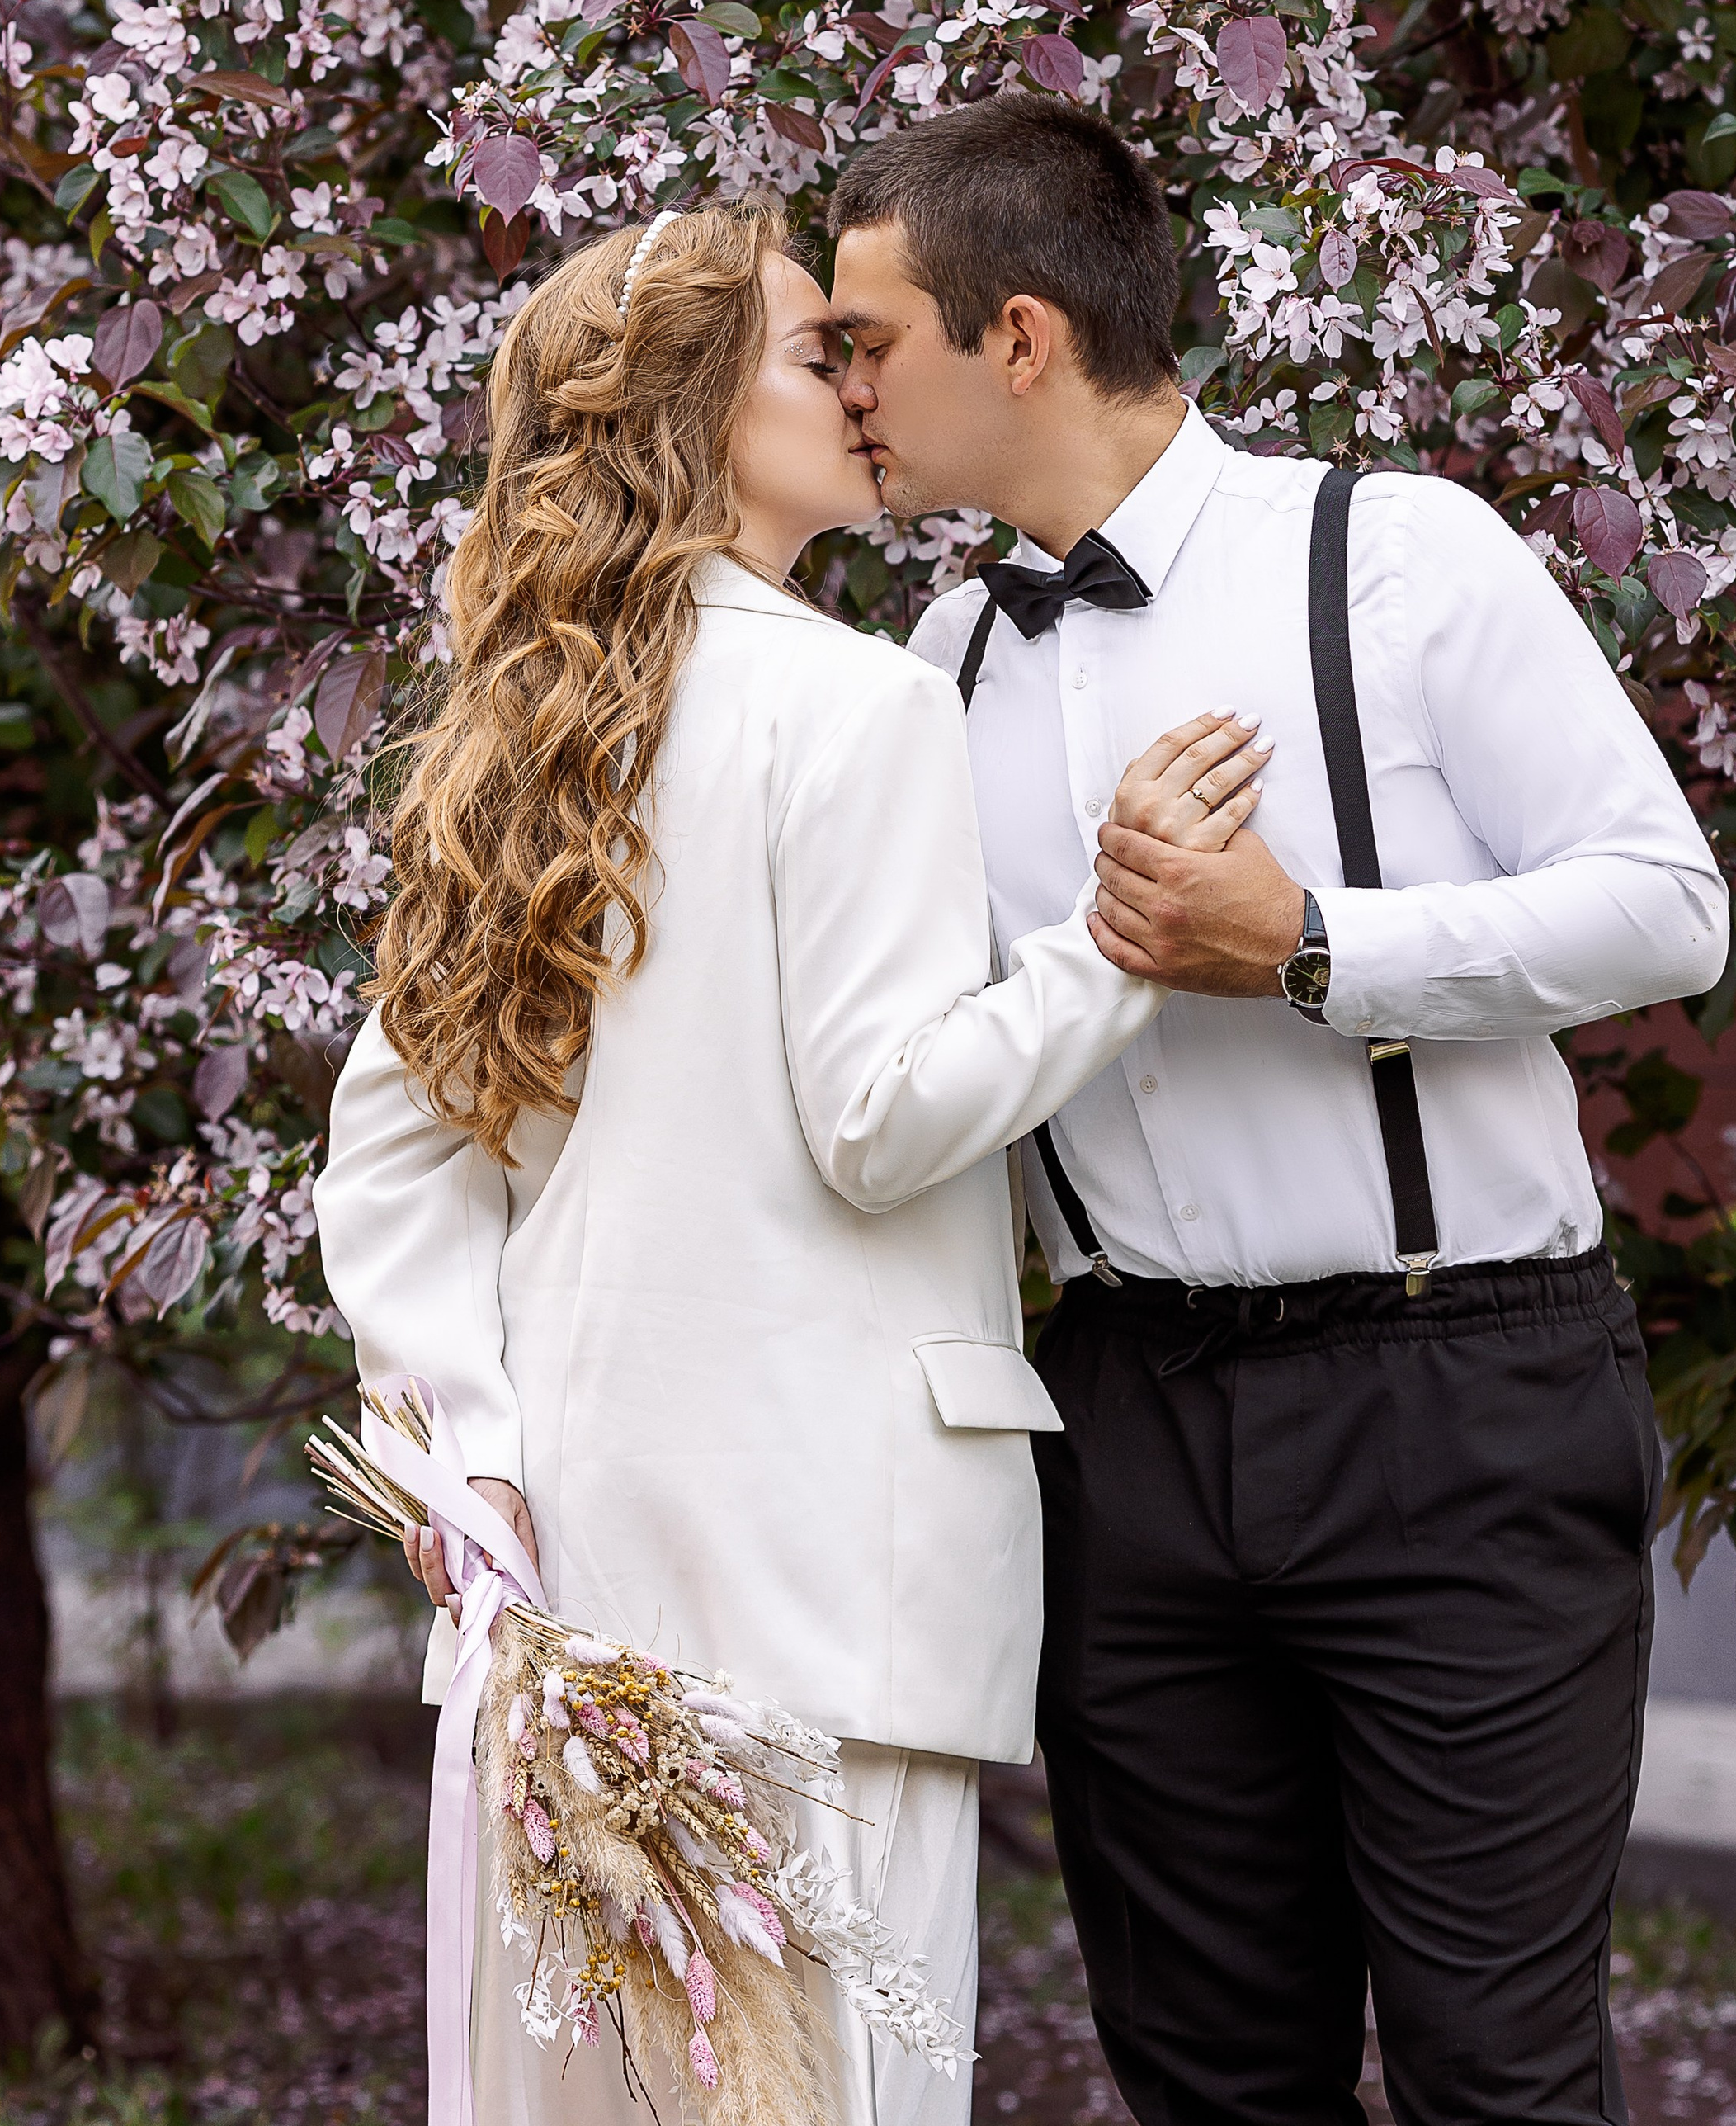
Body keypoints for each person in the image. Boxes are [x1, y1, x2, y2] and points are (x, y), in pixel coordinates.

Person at [827, 97, 1731, 2126]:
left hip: (1453, 1401)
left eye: (868, 340)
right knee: (1208, 2081)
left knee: (1496, 2075)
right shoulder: (941, 649)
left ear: (1022, 337)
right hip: (1126, 1426)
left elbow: (1666, 907)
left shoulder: (1393, 554)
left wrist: (1314, 949)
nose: (841, 386)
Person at [312, 201, 1264, 2126]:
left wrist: (466, 1460)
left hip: (559, 1581)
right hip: (834, 1571)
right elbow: (883, 1115)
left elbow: (394, 1159)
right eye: (804, 353)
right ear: (686, 414)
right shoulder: (862, 699)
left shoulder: (513, 738)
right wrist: (1118, 946)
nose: (855, 384)